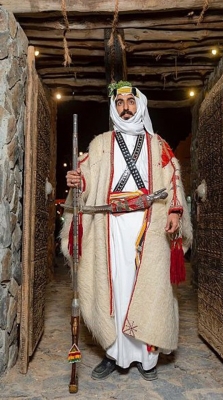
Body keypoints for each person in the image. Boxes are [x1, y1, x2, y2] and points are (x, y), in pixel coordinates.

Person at [60, 81, 192, 381]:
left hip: (150, 223)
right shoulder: (100, 144)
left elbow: (173, 177)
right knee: (115, 286)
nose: (126, 108)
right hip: (111, 226)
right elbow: (88, 179)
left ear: (139, 105)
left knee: (149, 290)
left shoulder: (157, 144)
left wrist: (174, 211)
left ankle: (148, 358)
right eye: (119, 104)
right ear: (113, 109)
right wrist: (78, 181)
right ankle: (114, 353)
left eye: (131, 102)